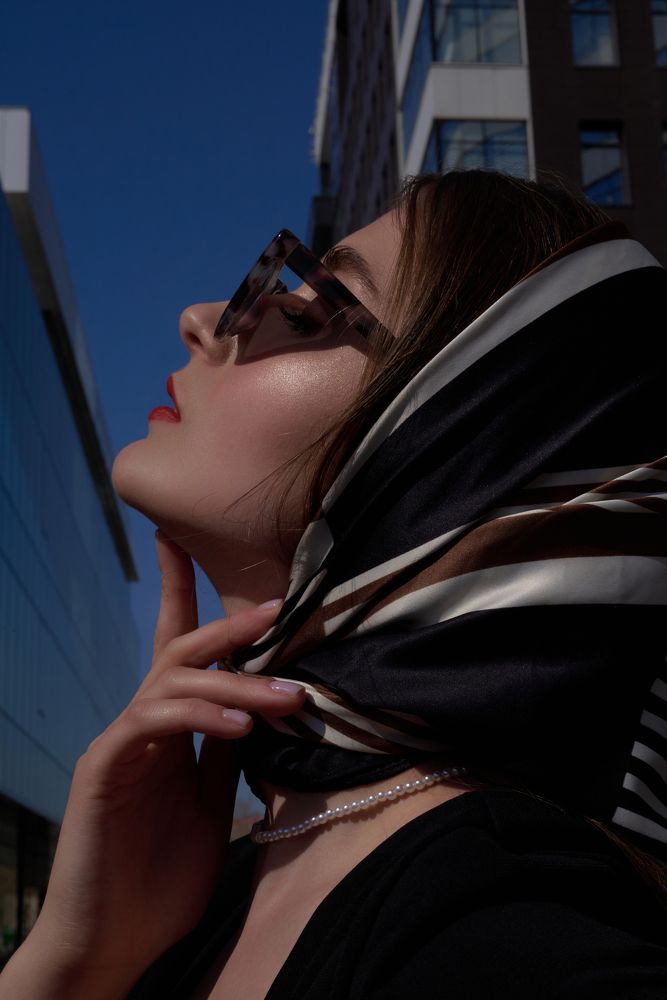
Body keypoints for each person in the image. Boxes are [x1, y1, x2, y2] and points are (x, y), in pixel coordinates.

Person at [2, 169, 667, 999]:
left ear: (453, 451)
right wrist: (79, 964)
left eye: (306, 312)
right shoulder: (190, 901)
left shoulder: (511, 950)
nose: (201, 318)